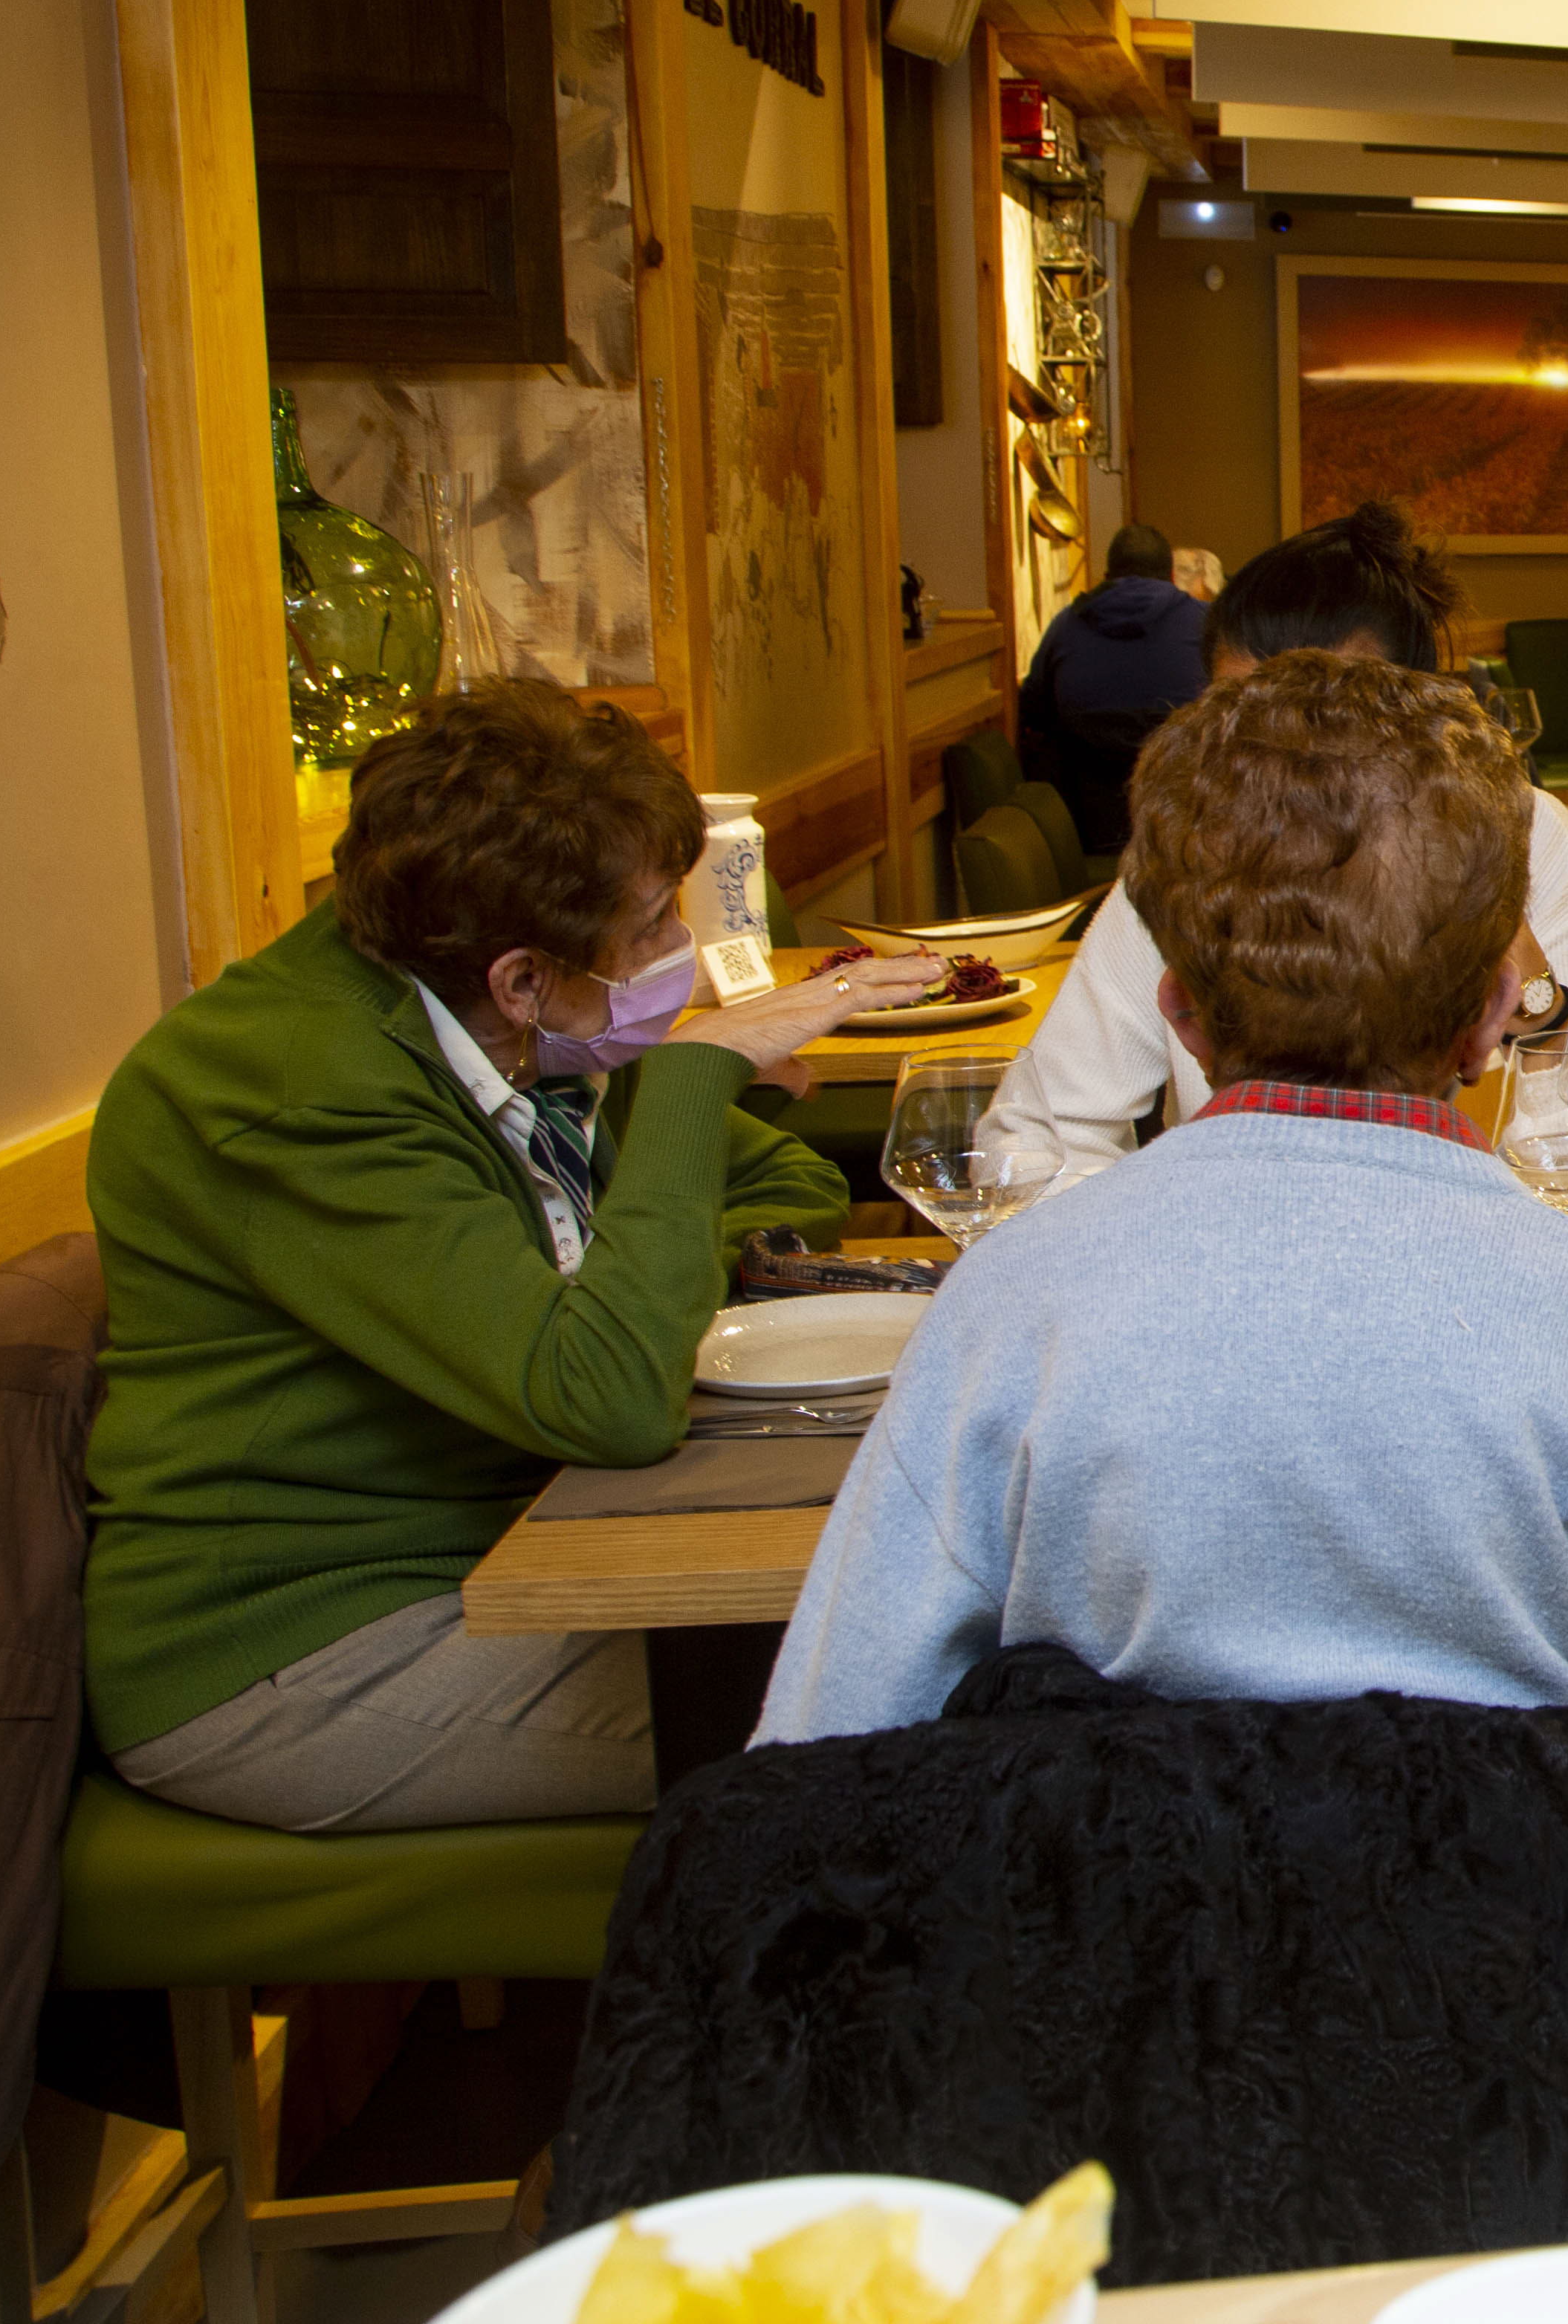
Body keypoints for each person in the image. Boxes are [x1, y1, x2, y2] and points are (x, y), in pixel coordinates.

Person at [758, 653, 1568, 1871]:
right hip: (1525, 2029)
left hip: (1124, 2032)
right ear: (1501, 1007)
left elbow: (819, 1774)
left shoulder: (1008, 1312)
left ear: (1174, 1014)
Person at [82, 684, 938, 1831]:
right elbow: (612, 1400)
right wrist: (690, 1073)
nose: (682, 953)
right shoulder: (291, 1085)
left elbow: (768, 1198)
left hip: (517, 1543)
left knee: (936, 1640)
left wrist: (633, 1275)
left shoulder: (496, 1023)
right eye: (650, 929)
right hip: (308, 1648)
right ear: (522, 977)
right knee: (903, 1726)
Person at [982, 505, 1568, 1179]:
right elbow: (1034, 1141)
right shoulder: (1194, 842)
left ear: (1421, 713)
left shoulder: (1523, 830)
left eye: (1334, 725)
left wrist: (1539, 1005)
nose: (1286, 766)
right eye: (1245, 723)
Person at [1017, 522, 1208, 857]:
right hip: (1183, 828)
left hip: (1085, 829)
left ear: (1106, 575)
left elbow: (1034, 707)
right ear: (1172, 577)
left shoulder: (1066, 624)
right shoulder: (1206, 622)